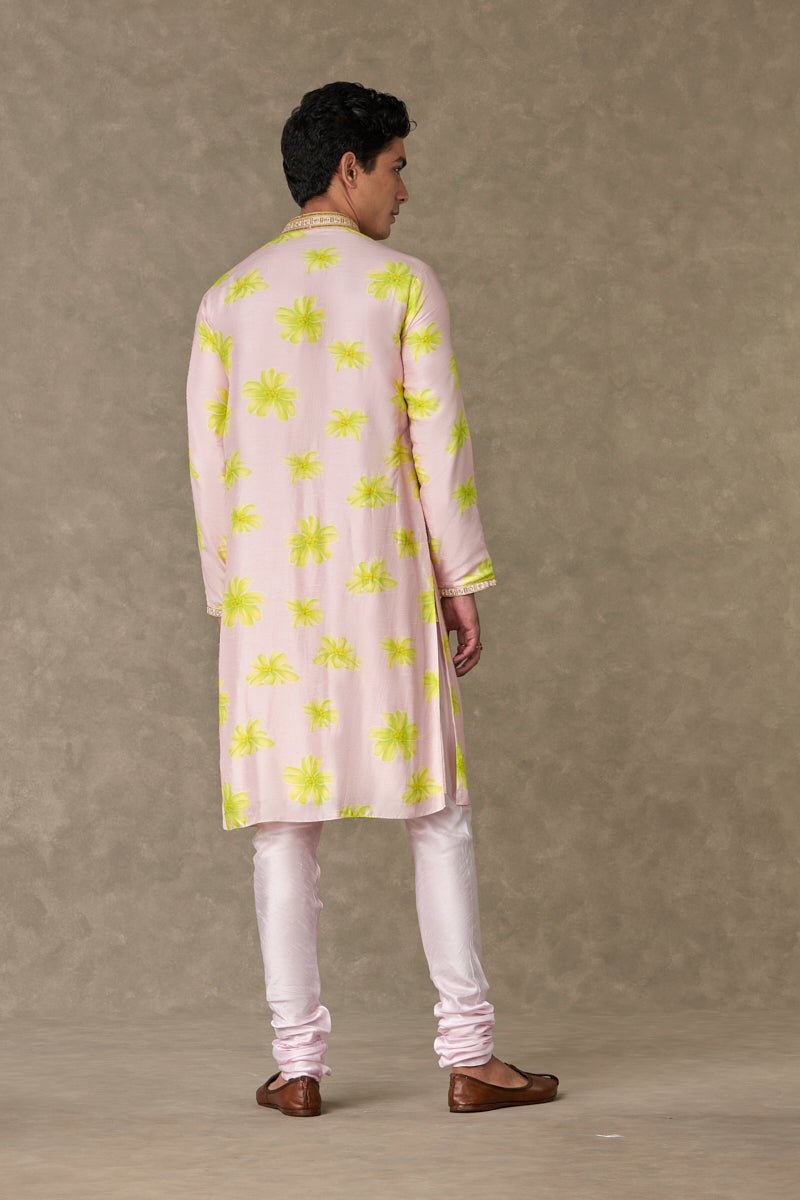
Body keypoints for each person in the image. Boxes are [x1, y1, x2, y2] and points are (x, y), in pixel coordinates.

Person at [186, 81, 558, 1115]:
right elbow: (439, 444)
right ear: (347, 169)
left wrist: (231, 600)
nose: (404, 188)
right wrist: (460, 580)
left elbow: (207, 469)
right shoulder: (400, 284)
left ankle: (298, 1068)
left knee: (281, 830)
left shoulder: (227, 298)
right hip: (383, 586)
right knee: (435, 813)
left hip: (267, 603)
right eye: (395, 166)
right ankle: (470, 1056)